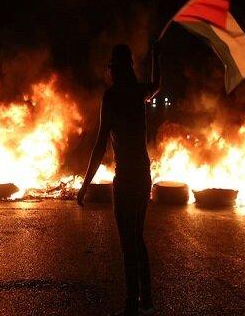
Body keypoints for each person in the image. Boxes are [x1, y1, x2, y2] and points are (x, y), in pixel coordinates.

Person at [77, 43, 161, 316]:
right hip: (143, 175)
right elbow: (156, 85)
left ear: (114, 69)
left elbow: (100, 144)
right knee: (137, 237)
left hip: (125, 179)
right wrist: (157, 57)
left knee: (128, 243)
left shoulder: (111, 97)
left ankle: (131, 306)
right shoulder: (138, 93)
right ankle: (146, 302)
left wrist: (85, 185)